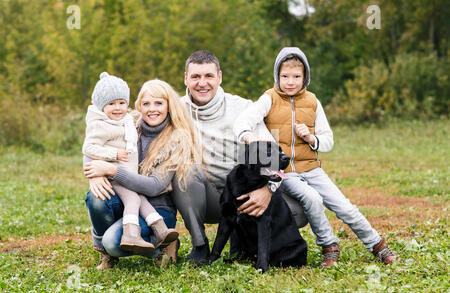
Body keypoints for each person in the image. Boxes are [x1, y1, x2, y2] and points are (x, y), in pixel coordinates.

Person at [233, 47, 398, 266]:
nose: (290, 82)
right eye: (285, 76)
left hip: (312, 168)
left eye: (296, 77)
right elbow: (241, 122)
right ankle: (329, 246)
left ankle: (378, 245)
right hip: (285, 172)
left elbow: (328, 140)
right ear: (277, 76)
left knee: (344, 206)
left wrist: (311, 138)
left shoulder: (313, 101)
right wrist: (250, 138)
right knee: (312, 198)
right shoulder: (268, 99)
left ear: (305, 77)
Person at [171, 50, 308, 265]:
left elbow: (270, 151)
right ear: (185, 78)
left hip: (244, 195)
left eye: (209, 76)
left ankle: (242, 242)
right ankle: (200, 246)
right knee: (186, 172)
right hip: (205, 198)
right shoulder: (174, 110)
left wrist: (267, 191)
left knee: (298, 212)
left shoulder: (243, 108)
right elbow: (139, 125)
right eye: (196, 77)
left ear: (220, 77)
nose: (202, 83)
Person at [83, 79, 202, 270]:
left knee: (113, 242)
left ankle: (162, 245)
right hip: (127, 201)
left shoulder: (176, 139)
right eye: (146, 103)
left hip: (158, 210)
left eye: (158, 103)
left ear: (169, 106)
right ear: (139, 106)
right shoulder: (128, 125)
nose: (152, 109)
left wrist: (112, 170)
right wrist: (94, 173)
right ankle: (106, 255)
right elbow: (91, 146)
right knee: (95, 197)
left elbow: (154, 186)